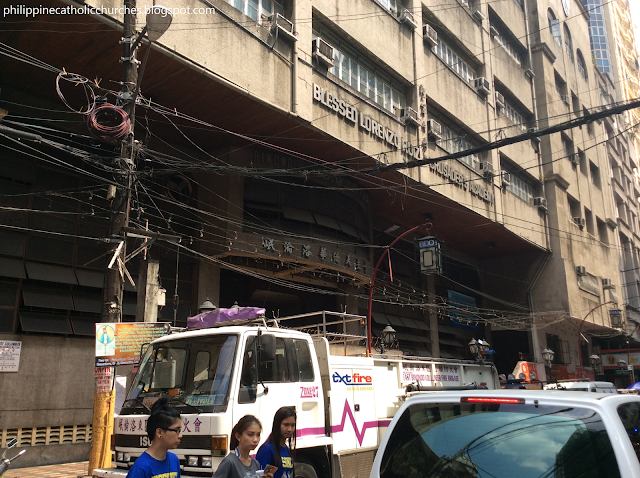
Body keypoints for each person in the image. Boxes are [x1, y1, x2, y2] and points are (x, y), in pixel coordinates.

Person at [126, 397, 182, 478]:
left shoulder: (174, 460)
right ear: (159, 432)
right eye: (176, 430)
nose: (180, 436)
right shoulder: (141, 468)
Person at [256, 407, 296, 478]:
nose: (290, 429)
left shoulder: (286, 449)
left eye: (292, 425)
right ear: (278, 425)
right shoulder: (267, 449)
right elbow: (259, 475)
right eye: (286, 425)